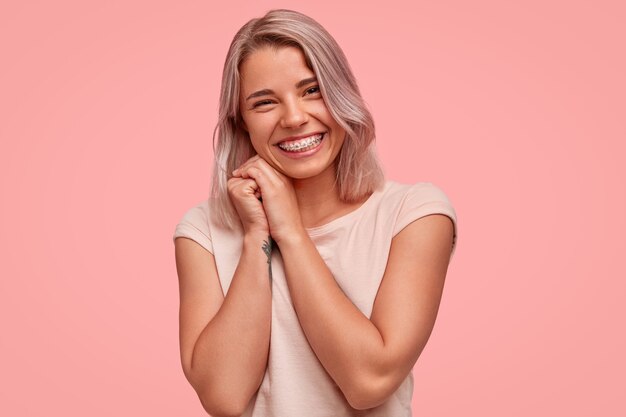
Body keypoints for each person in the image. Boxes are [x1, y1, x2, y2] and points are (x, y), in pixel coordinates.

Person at [173, 8, 458, 417]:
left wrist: (290, 231)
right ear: (242, 124)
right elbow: (224, 398)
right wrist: (258, 235)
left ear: (342, 95)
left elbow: (368, 382)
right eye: (265, 102)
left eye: (312, 91)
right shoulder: (203, 232)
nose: (293, 118)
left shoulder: (414, 215)